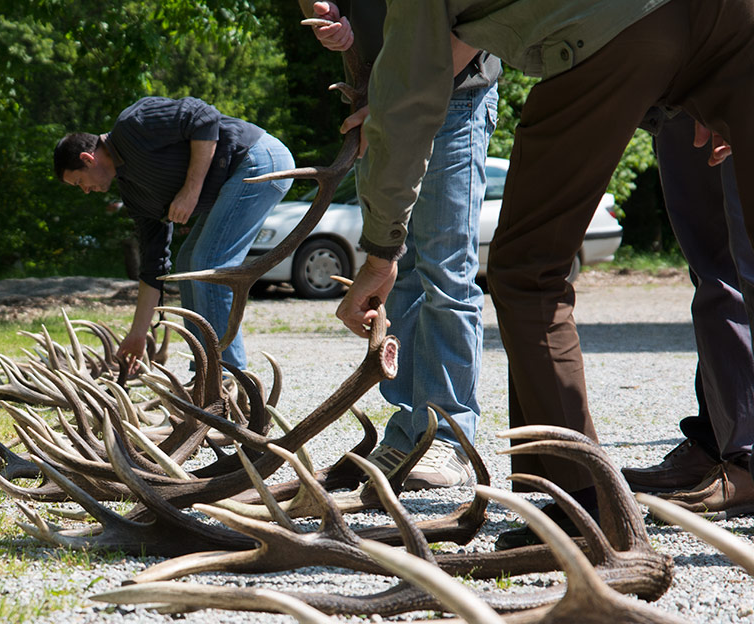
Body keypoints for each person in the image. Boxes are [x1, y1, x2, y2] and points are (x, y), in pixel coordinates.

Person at [312, 0, 754, 548]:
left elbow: (410, 104)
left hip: (617, 31)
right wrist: (703, 84)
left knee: (527, 270)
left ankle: (585, 510)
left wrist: (380, 251)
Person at [305, 0, 500, 489]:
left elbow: (487, 23)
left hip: (454, 95)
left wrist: (397, 103)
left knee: (444, 270)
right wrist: (335, 24)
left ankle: (449, 438)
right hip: (383, 97)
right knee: (402, 270)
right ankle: (411, 431)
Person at [54, 97, 294, 372]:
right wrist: (138, 334)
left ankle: (228, 376)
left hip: (259, 160)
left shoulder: (133, 124)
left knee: (208, 265)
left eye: (79, 182)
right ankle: (205, 374)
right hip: (238, 176)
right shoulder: (134, 193)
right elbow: (153, 264)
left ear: (88, 158)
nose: (85, 190)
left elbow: (204, 117)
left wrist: (191, 190)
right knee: (187, 264)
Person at [621, 110, 754, 518]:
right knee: (711, 270)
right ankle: (716, 439)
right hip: (680, 91)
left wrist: (725, 92)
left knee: (736, 274)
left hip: (727, 75)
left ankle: (746, 461)